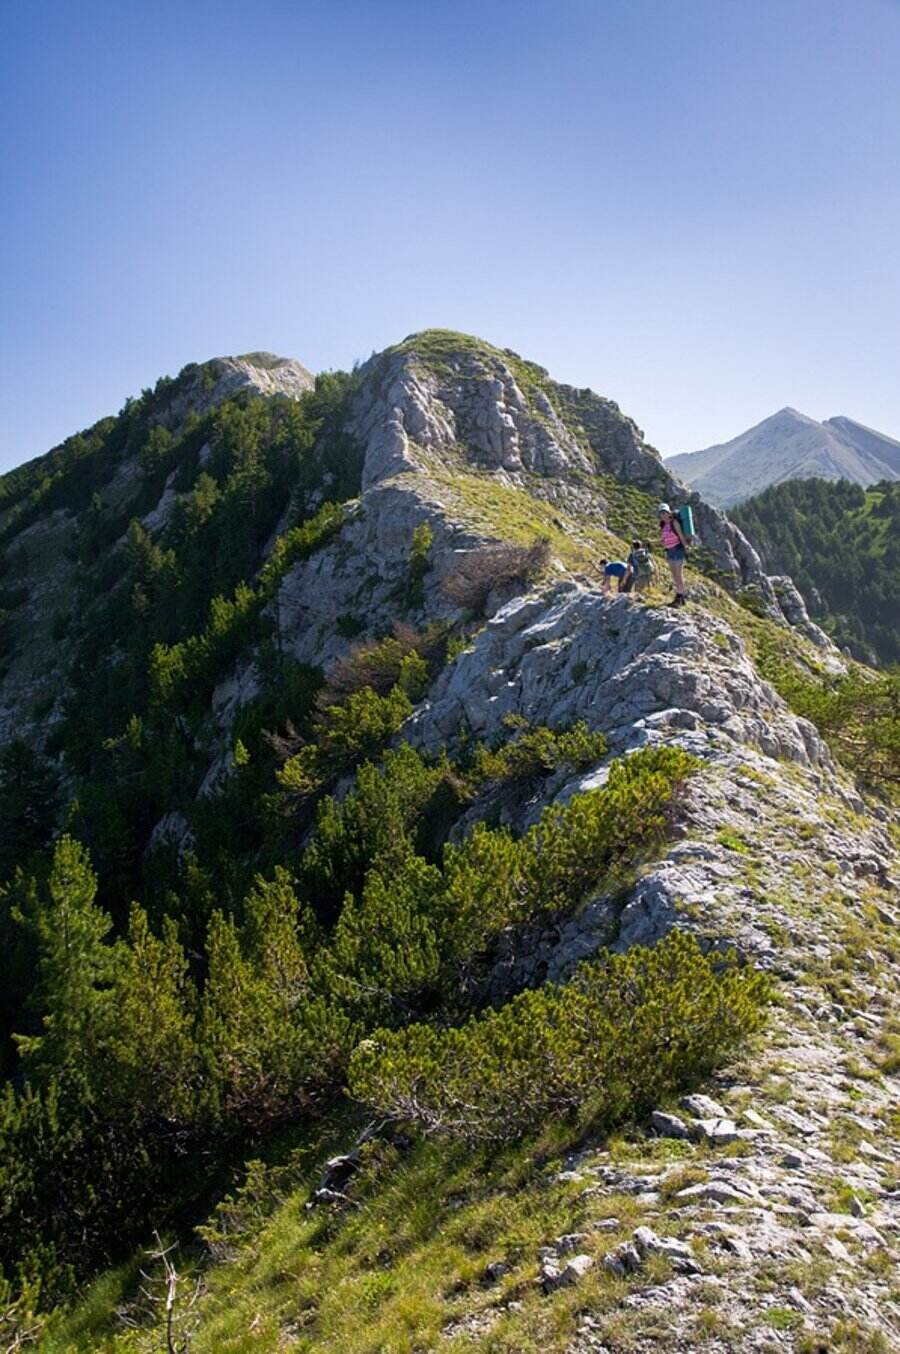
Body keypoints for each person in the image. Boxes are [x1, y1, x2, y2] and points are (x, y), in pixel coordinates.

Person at [657, 504, 689, 606]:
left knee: (678, 575)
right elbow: (664, 540)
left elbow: (680, 535)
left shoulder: (674, 522)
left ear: (669, 512)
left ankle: (679, 597)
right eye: (661, 513)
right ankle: (681, 596)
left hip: (678, 550)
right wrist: (652, 542)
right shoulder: (663, 525)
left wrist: (686, 547)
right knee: (674, 575)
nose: (663, 515)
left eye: (665, 512)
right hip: (669, 552)